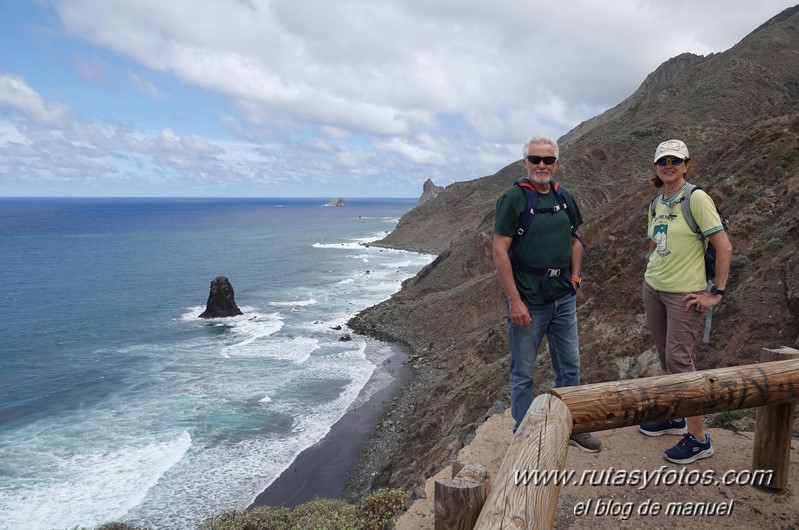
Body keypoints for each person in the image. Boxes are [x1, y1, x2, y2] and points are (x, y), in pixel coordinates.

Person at [492, 135, 601, 453]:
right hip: (528, 301)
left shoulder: (564, 196)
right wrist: (514, 300)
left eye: (548, 160)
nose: (542, 165)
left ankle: (572, 426)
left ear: (556, 163)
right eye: (535, 159)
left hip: (562, 297)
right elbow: (499, 250)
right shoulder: (513, 199)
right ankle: (522, 436)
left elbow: (575, 238)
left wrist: (575, 277)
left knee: (570, 366)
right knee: (523, 372)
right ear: (524, 162)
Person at [638, 139, 732, 464]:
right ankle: (673, 416)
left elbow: (724, 246)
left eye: (675, 160)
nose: (669, 165)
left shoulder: (696, 198)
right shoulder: (656, 202)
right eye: (663, 160)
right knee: (665, 358)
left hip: (684, 296)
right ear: (655, 167)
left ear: (686, 164)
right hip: (654, 290)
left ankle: (699, 438)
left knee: (680, 361)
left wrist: (715, 294)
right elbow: (656, 243)